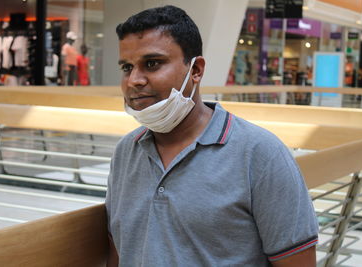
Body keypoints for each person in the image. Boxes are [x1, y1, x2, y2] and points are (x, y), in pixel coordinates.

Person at [106, 5, 318, 267]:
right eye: (127, 68)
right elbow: (119, 250)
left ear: (196, 71)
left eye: (152, 64)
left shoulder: (260, 154)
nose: (134, 81)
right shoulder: (127, 151)